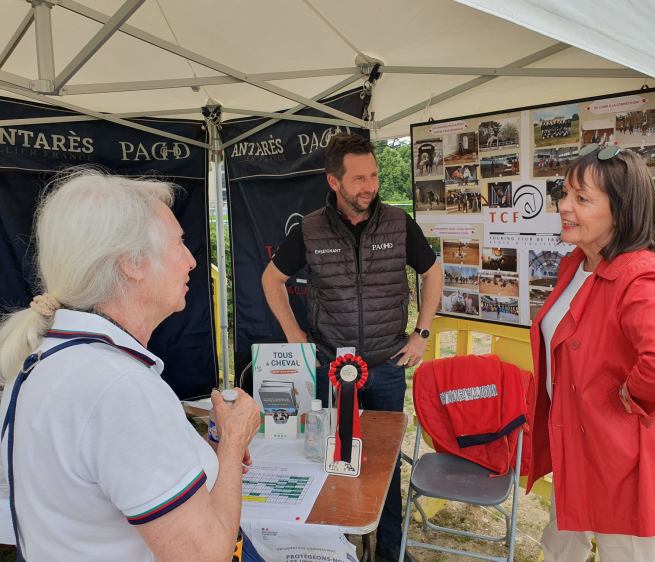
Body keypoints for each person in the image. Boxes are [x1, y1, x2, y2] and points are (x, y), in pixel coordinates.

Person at [0, 170, 261, 562]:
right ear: (133, 262)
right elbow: (205, 554)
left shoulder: (43, 359)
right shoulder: (118, 386)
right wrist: (234, 441)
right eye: (179, 242)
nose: (192, 261)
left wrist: (214, 447)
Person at [261, 133, 442, 562]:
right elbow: (272, 279)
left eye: (374, 176)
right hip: (332, 367)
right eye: (359, 178)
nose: (370, 186)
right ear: (334, 181)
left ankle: (390, 550)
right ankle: (338, 548)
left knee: (385, 464)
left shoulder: (398, 223)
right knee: (334, 461)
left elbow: (433, 272)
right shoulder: (310, 229)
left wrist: (422, 333)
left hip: (386, 366)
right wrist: (293, 333)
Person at [526, 145, 655, 562]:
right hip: (575, 446)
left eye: (582, 198)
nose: (564, 206)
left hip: (621, 460)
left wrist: (632, 394)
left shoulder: (638, 274)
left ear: (621, 211)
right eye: (564, 193)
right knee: (561, 548)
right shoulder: (576, 264)